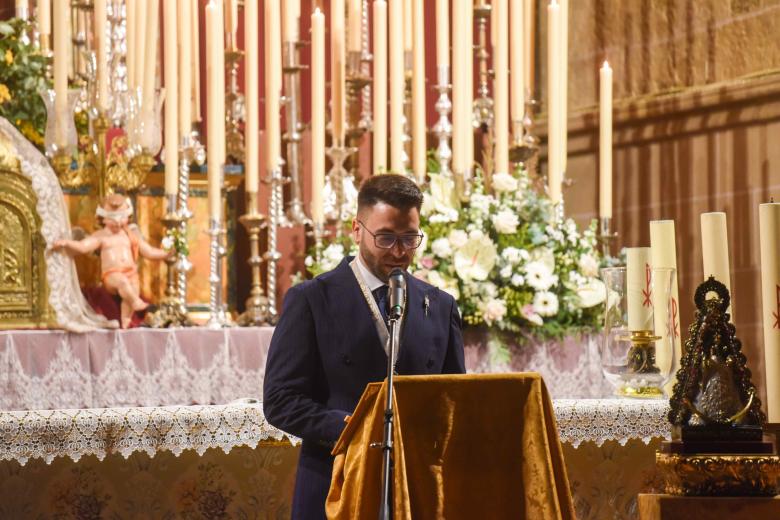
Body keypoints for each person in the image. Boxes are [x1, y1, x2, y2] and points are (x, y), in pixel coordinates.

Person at [263, 174, 466, 519]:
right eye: (385, 238)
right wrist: (353, 427)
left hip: (416, 487)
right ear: (357, 230)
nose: (399, 252)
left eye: (410, 238)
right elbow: (280, 400)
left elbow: (453, 399)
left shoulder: (440, 305)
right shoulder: (311, 299)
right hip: (336, 482)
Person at [52, 194, 171, 328]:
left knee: (130, 295)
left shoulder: (130, 235)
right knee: (123, 283)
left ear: (128, 216)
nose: (118, 222)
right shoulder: (101, 236)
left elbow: (149, 251)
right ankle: (136, 302)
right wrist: (66, 243)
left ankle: (125, 324)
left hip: (131, 274)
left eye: (122, 217)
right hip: (112, 275)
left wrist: (166, 254)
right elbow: (83, 247)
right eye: (113, 218)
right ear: (102, 218)